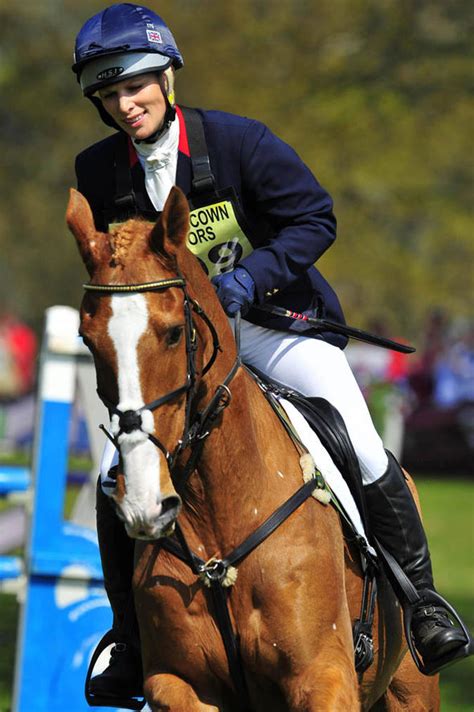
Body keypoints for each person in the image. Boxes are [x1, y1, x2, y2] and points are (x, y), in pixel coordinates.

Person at [71, 4, 470, 703]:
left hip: (273, 326)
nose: (125, 104)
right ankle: (130, 638)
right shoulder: (99, 169)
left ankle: (424, 606)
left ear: (166, 78)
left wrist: (248, 279)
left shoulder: (237, 143)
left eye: (134, 87)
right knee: (117, 473)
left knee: (363, 443)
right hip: (175, 349)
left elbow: (315, 216)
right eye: (110, 94)